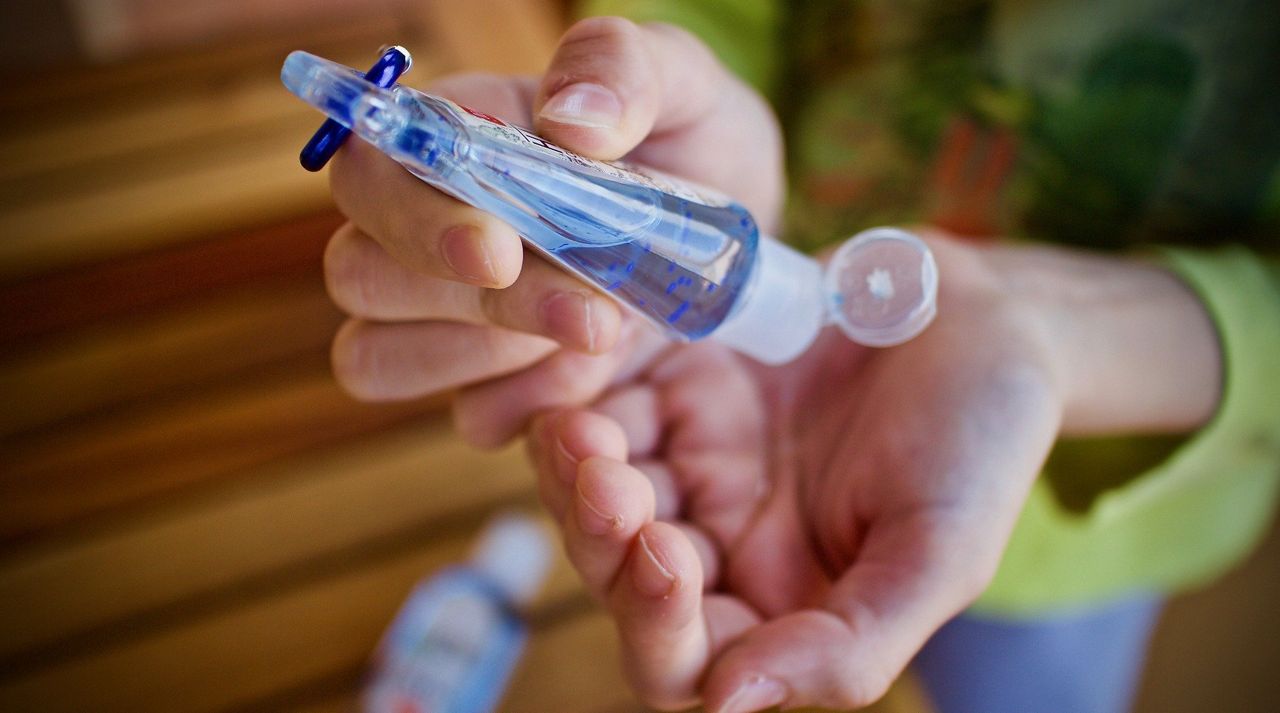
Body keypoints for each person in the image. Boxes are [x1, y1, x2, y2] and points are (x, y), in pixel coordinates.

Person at [319, 4, 1280, 711]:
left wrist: (1064, 334)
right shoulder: (731, 255)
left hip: (1101, 548)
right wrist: (662, 90)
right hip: (750, 338)